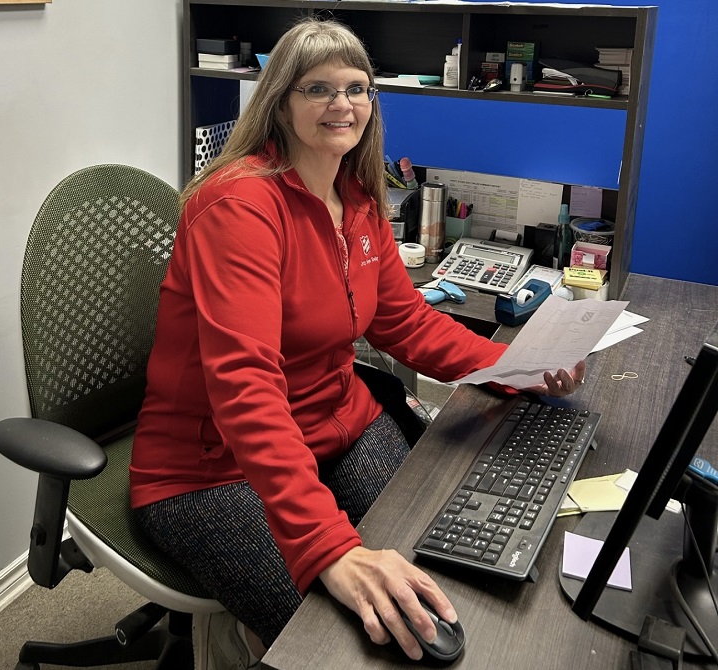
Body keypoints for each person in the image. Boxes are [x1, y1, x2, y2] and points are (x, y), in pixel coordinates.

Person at [129, 17, 586, 670]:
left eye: (358, 88)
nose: (343, 104)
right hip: (210, 466)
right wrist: (328, 546)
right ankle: (239, 643)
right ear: (280, 103)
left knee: (438, 573)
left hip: (336, 423)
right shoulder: (239, 209)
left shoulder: (359, 198)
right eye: (318, 89)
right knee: (349, 643)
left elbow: (407, 324)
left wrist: (514, 367)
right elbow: (245, 388)